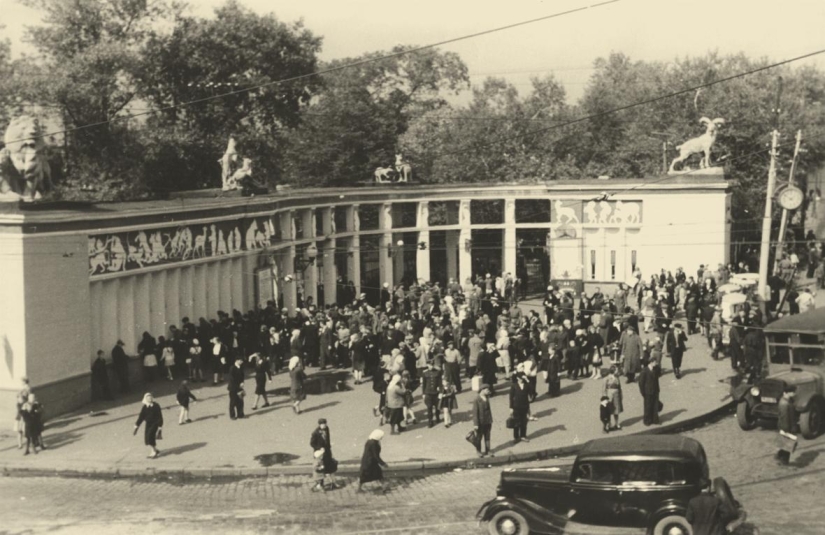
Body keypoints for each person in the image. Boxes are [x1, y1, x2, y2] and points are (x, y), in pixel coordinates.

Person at [310, 418, 340, 490]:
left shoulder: (327, 429)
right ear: (319, 425)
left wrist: (329, 448)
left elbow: (328, 439)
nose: (324, 426)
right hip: (320, 454)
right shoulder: (315, 433)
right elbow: (312, 443)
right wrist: (319, 448)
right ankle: (320, 484)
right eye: (323, 424)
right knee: (321, 469)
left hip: (327, 452)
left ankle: (333, 482)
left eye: (325, 424)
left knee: (330, 467)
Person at [133, 393, 163, 459]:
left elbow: (160, 416)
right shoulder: (145, 407)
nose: (150, 399)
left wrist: (160, 426)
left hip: (155, 423)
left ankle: (154, 452)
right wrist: (136, 426)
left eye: (151, 397)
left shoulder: (156, 405)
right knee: (147, 438)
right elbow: (141, 417)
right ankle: (155, 450)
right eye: (148, 398)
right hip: (148, 424)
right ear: (145, 399)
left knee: (150, 436)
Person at [776, 385, 798, 465]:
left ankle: (779, 455)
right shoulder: (784, 403)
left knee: (785, 443)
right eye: (793, 392)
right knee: (788, 445)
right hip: (787, 427)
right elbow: (785, 417)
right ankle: (784, 461)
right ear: (786, 393)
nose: (794, 394)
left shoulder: (788, 400)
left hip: (789, 425)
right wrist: (786, 430)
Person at [472, 383, 494, 458]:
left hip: (487, 421)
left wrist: (491, 419)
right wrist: (476, 424)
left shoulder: (487, 397)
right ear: (482, 390)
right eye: (487, 390)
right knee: (479, 437)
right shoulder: (476, 400)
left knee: (487, 436)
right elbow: (475, 413)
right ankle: (478, 451)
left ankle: (488, 450)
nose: (488, 391)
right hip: (480, 422)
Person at [509, 369, 531, 443]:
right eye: (521, 378)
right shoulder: (514, 386)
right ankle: (516, 437)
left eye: (523, 378)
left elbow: (532, 392)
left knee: (524, 422)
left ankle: (523, 436)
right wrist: (511, 407)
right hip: (516, 407)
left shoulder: (527, 385)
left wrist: (527, 380)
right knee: (516, 423)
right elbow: (511, 397)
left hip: (524, 406)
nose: (522, 380)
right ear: (518, 378)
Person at [638, 359, 660, 426]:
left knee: (655, 405)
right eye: (655, 362)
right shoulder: (644, 371)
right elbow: (641, 382)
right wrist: (643, 392)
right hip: (647, 391)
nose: (656, 363)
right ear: (651, 362)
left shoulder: (655, 369)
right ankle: (647, 420)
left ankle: (655, 419)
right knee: (648, 406)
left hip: (655, 390)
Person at [602, 366, 623, 431]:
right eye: (616, 370)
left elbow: (619, 387)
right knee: (609, 411)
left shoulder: (617, 378)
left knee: (616, 410)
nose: (617, 371)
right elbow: (604, 389)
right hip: (609, 395)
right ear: (613, 371)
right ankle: (608, 424)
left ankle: (616, 423)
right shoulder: (606, 379)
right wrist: (604, 398)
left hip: (616, 395)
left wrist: (621, 395)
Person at [421, 359, 442, 428]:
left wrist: (441, 392)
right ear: (427, 365)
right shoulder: (425, 373)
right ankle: (430, 421)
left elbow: (440, 383)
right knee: (429, 408)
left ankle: (437, 417)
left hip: (436, 393)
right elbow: (424, 384)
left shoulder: (437, 372)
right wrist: (423, 394)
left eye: (432, 365)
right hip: (428, 393)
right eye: (430, 365)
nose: (431, 366)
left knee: (437, 407)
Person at [14, 377, 31, 450]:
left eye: (22, 381)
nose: (21, 382)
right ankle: (20, 444)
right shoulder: (18, 404)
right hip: (20, 416)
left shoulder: (27, 389)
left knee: (25, 430)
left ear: (25, 382)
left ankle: (26, 444)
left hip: (23, 416)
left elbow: (27, 396)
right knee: (20, 430)